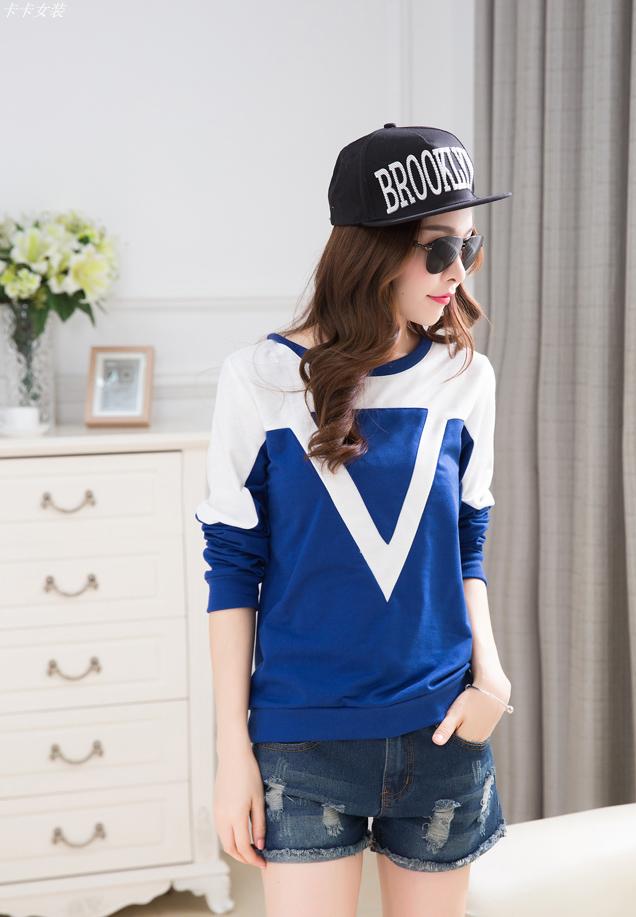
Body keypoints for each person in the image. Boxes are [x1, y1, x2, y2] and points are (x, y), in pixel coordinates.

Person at [195, 123, 514, 917]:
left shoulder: (466, 378)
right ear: (374, 250)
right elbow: (232, 568)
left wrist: (493, 676)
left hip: (442, 732)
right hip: (303, 741)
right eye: (439, 250)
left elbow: (467, 545)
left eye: (469, 248)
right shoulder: (260, 380)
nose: (457, 272)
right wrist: (232, 751)